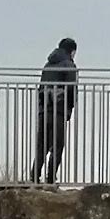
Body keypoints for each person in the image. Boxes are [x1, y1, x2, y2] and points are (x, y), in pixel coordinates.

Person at [31, 36, 79, 182]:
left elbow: (41, 87)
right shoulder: (69, 65)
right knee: (58, 145)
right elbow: (71, 89)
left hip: (44, 109)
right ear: (72, 51)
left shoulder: (48, 64)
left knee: (42, 144)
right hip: (59, 110)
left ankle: (34, 176)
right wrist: (70, 108)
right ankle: (51, 177)